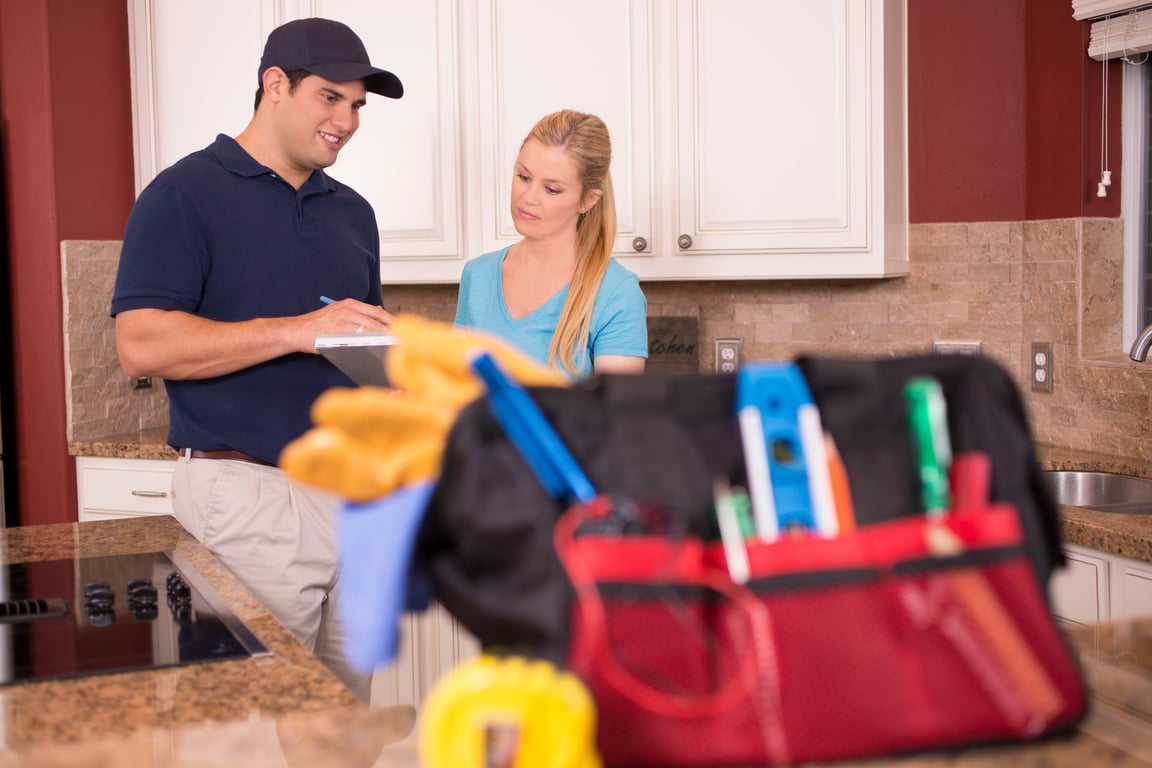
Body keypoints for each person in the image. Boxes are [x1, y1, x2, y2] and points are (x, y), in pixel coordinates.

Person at [110, 17, 403, 702]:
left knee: (340, 726)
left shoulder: (351, 212)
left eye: (358, 105)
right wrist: (297, 330)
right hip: (248, 499)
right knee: (243, 728)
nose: (348, 120)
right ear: (275, 85)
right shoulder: (184, 195)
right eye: (330, 97)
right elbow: (140, 344)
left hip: (352, 500)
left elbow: (351, 343)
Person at [454, 109, 648, 378]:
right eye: (523, 177)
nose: (529, 197)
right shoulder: (477, 275)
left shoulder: (616, 293)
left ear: (588, 200)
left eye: (552, 189)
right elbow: (454, 391)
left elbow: (619, 416)